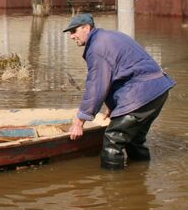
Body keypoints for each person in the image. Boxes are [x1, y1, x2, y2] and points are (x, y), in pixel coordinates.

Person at [64, 13, 175, 169]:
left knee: (112, 140)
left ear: (86, 28)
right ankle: (139, 175)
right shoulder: (109, 36)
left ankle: (112, 188)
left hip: (141, 96)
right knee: (134, 140)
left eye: (74, 31)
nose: (71, 36)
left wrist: (79, 121)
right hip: (158, 90)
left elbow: (96, 86)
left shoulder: (96, 48)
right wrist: (113, 106)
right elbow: (121, 72)